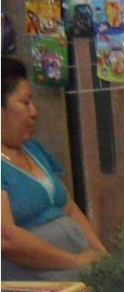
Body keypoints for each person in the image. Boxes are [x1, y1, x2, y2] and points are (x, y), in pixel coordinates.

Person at [1, 57, 107, 280]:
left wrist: (102, 256)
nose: (34, 112)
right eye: (25, 102)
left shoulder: (34, 151)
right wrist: (74, 261)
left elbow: (68, 208)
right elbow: (7, 239)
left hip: (77, 275)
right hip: (36, 287)